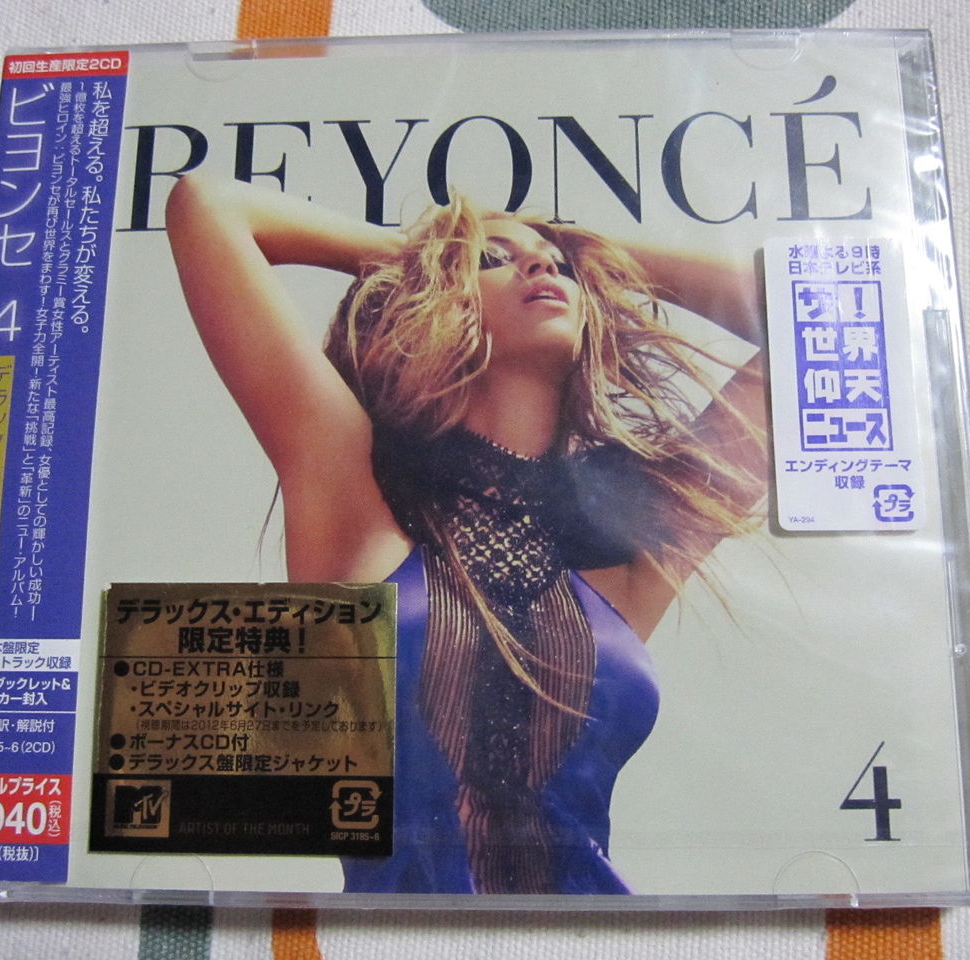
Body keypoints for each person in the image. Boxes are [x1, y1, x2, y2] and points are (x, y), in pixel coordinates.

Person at [164, 174, 769, 894]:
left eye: (559, 266)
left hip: (595, 938)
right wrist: (426, 255)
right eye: (492, 260)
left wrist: (590, 255)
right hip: (392, 943)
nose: (541, 265)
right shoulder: (358, 507)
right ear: (435, 297)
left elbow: (817, 308)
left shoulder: (624, 557)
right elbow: (209, 206)